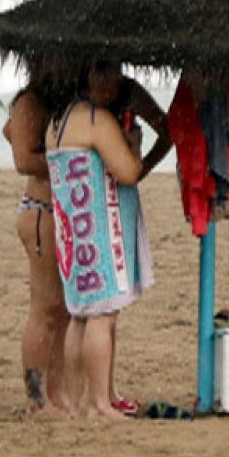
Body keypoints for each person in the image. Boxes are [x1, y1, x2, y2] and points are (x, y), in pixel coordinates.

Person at [45, 62, 152, 419]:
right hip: (99, 225)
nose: (114, 81)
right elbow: (127, 171)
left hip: (73, 231)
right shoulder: (95, 120)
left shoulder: (57, 121)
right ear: (88, 76)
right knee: (102, 315)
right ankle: (100, 403)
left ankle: (77, 402)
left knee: (80, 314)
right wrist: (136, 145)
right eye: (106, 72)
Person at [3, 83, 69, 415]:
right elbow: (23, 159)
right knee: (45, 308)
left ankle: (55, 393)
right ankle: (37, 399)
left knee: (64, 311)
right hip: (42, 209)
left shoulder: (63, 97)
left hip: (64, 209)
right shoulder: (31, 100)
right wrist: (71, 159)